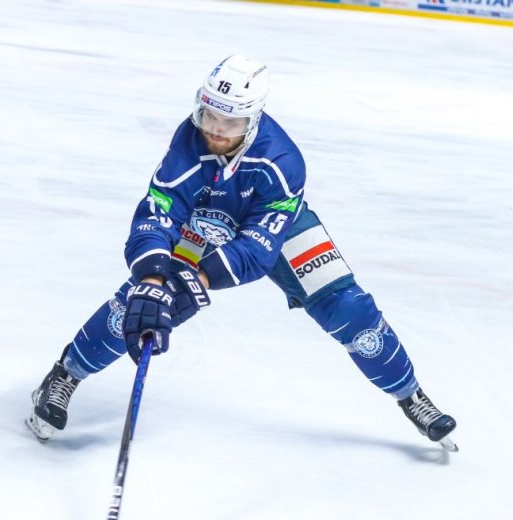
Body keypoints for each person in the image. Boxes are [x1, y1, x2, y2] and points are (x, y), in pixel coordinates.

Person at [26, 54, 457, 448]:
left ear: (253, 120)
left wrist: (197, 279)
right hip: (204, 213)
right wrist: (155, 278)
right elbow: (159, 212)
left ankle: (410, 394)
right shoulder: (189, 141)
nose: (215, 129)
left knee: (348, 307)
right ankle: (64, 375)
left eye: (230, 123)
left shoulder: (283, 162)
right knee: (143, 301)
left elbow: (257, 248)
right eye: (209, 114)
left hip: (273, 222)